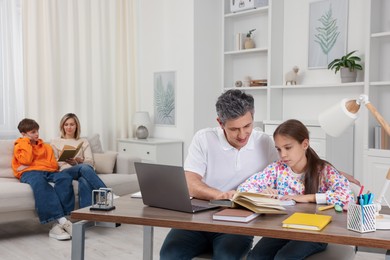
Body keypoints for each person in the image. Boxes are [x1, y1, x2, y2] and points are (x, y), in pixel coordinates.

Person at [160, 89, 280, 259]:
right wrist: (221, 195)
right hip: (199, 217)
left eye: (247, 126)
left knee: (226, 257)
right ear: (220, 122)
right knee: (169, 254)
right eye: (234, 129)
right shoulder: (203, 139)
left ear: (253, 118)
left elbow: (278, 178)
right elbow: (190, 183)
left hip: (237, 220)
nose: (242, 134)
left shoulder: (264, 142)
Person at [237, 119, 355, 260]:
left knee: (283, 258)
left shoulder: (323, 170)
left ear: (305, 144)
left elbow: (347, 196)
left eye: (288, 148)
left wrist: (308, 197)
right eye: (279, 149)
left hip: (314, 232)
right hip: (283, 229)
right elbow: (243, 188)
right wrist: (262, 193)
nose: (283, 155)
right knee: (255, 257)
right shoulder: (277, 168)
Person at [12, 118, 74, 241]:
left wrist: (39, 165)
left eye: (37, 131)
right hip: (28, 172)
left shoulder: (46, 146)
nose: (37, 134)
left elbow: (53, 165)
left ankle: (62, 220)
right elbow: (26, 161)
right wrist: (26, 142)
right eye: (32, 132)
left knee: (65, 177)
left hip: (47, 171)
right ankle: (62, 221)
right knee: (40, 183)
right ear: (23, 134)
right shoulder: (20, 146)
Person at [51, 113, 108, 208]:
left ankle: (86, 216)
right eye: (66, 124)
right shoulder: (55, 141)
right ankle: (106, 193)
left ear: (76, 126)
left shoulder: (83, 141)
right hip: (65, 171)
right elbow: (53, 162)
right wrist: (65, 160)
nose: (69, 127)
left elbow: (90, 162)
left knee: (84, 180)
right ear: (62, 126)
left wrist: (77, 162)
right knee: (84, 168)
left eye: (72, 124)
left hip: (82, 170)